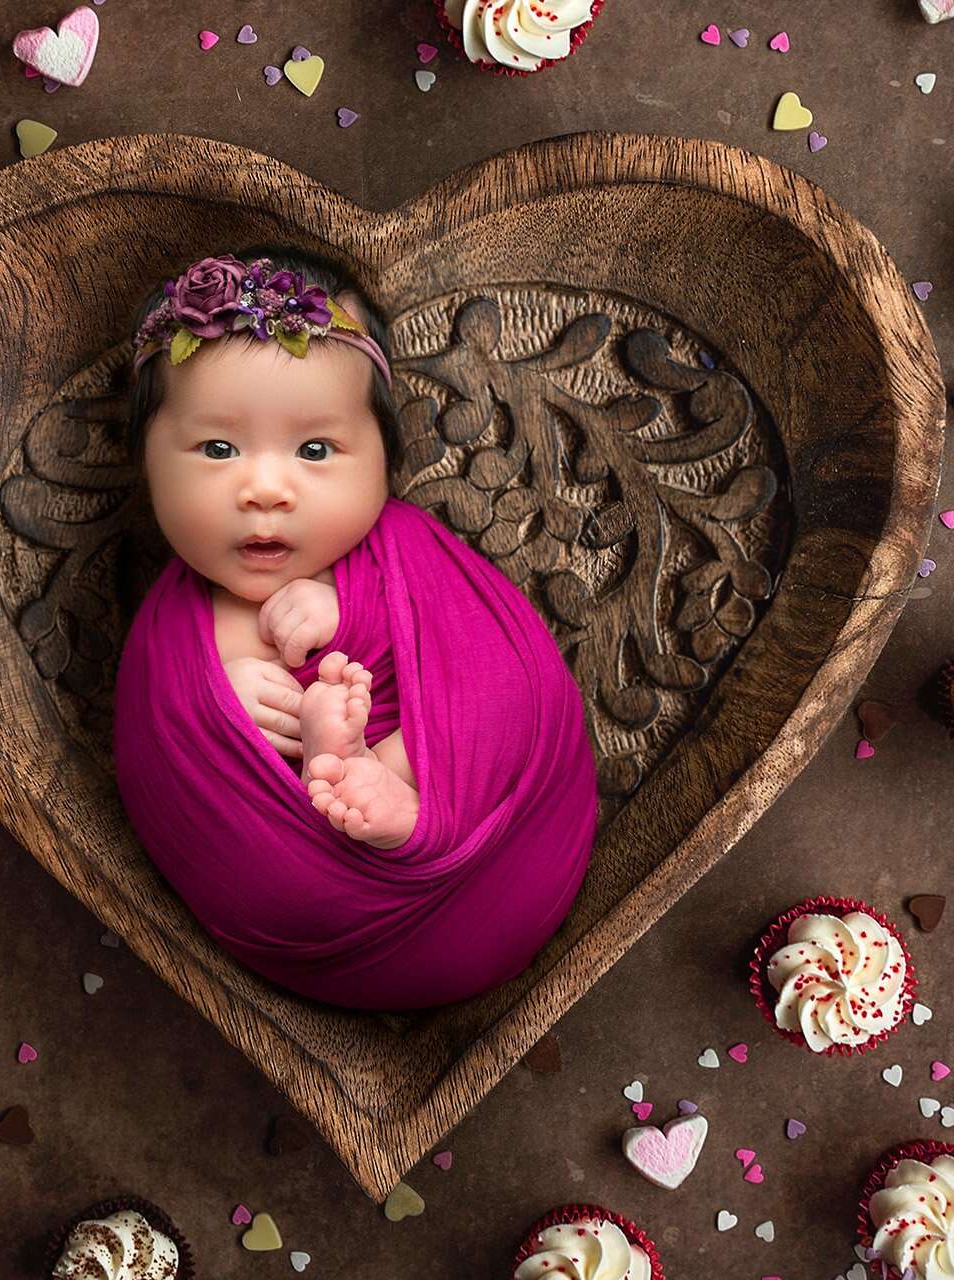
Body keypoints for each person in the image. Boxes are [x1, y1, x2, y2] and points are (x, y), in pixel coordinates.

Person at [111, 246, 598, 1009]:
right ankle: (369, 792)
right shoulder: (165, 637)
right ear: (147, 466)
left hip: (508, 850)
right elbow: (159, 765)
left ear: (383, 461)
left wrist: (353, 608)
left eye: (315, 450)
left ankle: (403, 783)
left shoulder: (400, 547)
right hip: (343, 922)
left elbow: (503, 660)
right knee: (276, 868)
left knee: (512, 688)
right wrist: (214, 708)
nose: (265, 489)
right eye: (216, 449)